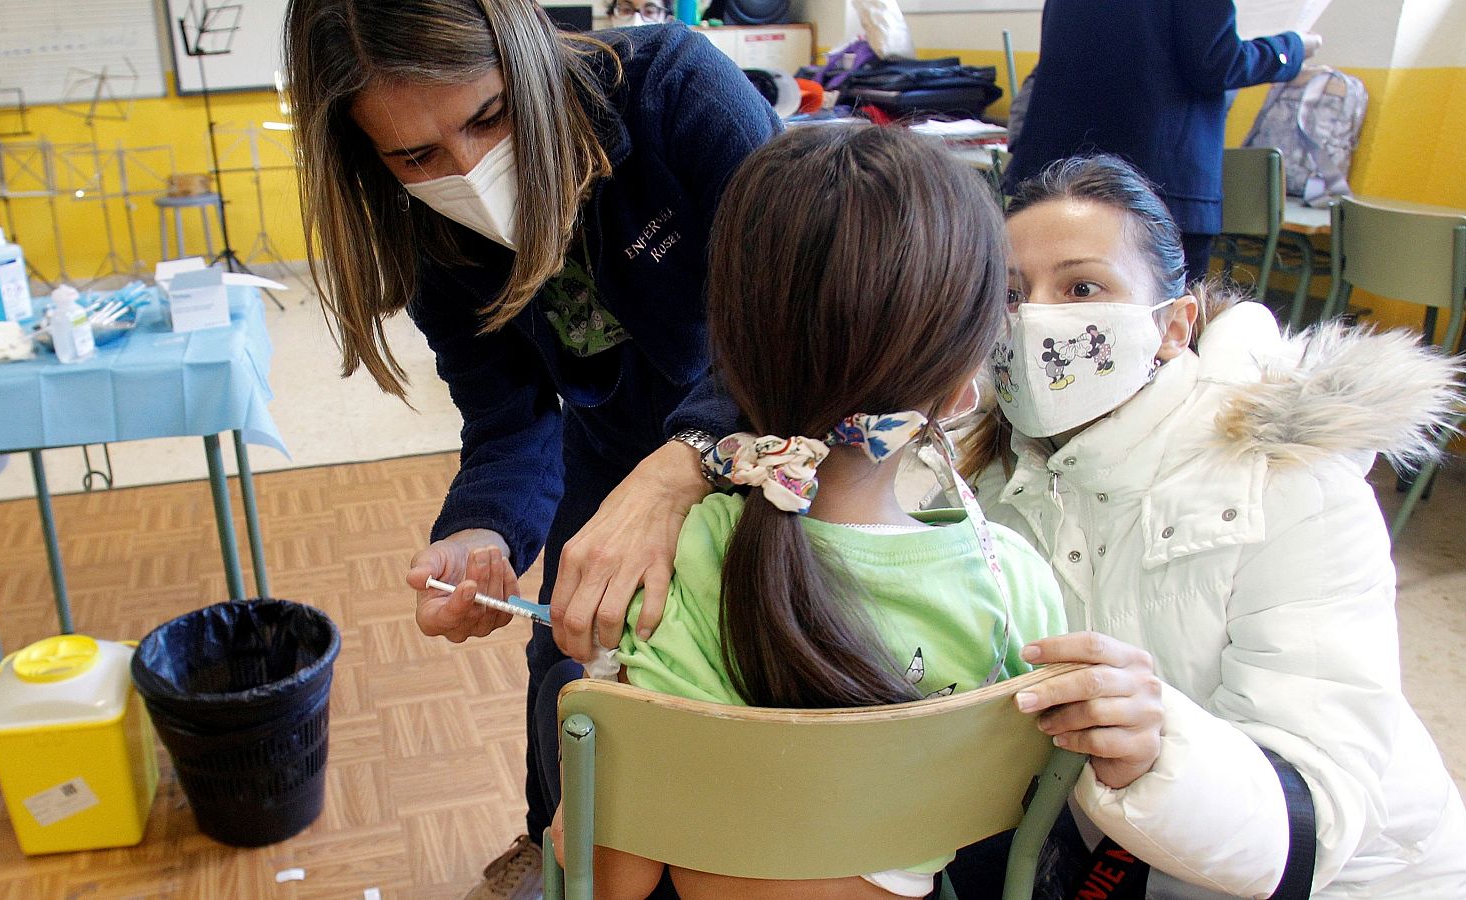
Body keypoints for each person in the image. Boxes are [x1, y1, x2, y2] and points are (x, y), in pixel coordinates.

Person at [283, 2, 779, 895]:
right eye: (416, 157)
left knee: (742, 653)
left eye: (487, 117)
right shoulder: (428, 231)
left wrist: (684, 466)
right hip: (615, 436)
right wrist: (481, 532)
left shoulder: (671, 89)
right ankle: (549, 839)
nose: (468, 171)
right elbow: (510, 417)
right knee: (566, 652)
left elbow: (802, 310)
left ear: (524, 58)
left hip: (770, 425)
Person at [532, 124, 1071, 899]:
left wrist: (573, 825)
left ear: (729, 363)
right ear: (959, 394)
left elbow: (618, 881)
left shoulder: (675, 572)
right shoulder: (1014, 590)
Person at [955, 154, 1466, 898]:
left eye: (1082, 287)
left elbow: (1319, 812)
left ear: (1174, 326)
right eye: (1010, 293)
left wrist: (1158, 748)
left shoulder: (1288, 480)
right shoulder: (992, 473)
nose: (1037, 320)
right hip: (1133, 860)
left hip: (1352, 875)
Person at [1006, 0, 1321, 278]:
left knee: (1040, 306)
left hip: (1057, 166)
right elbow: (1214, 62)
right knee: (1160, 324)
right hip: (1158, 175)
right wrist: (1290, 49)